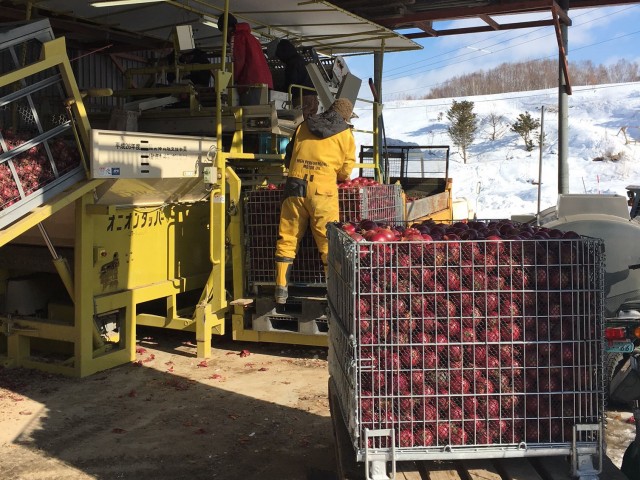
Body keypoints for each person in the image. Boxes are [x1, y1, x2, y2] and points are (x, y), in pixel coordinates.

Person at [274, 98, 356, 304]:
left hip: (294, 186)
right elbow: (346, 171)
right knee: (328, 243)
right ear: (346, 117)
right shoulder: (345, 134)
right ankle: (334, 293)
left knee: (287, 237)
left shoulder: (304, 125)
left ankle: (281, 289)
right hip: (322, 192)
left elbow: (289, 154)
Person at [217, 13, 273, 106]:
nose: (223, 35)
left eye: (223, 31)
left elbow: (238, 62)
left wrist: (230, 81)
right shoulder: (252, 37)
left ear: (228, 28)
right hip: (265, 83)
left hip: (250, 83)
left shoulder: (236, 37)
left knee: (249, 117)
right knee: (262, 114)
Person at [267, 38, 319, 119]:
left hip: (302, 98)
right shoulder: (300, 59)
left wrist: (279, 89)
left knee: (300, 122)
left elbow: (291, 82)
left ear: (281, 52)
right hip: (313, 97)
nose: (279, 58)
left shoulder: (292, 63)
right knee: (310, 124)